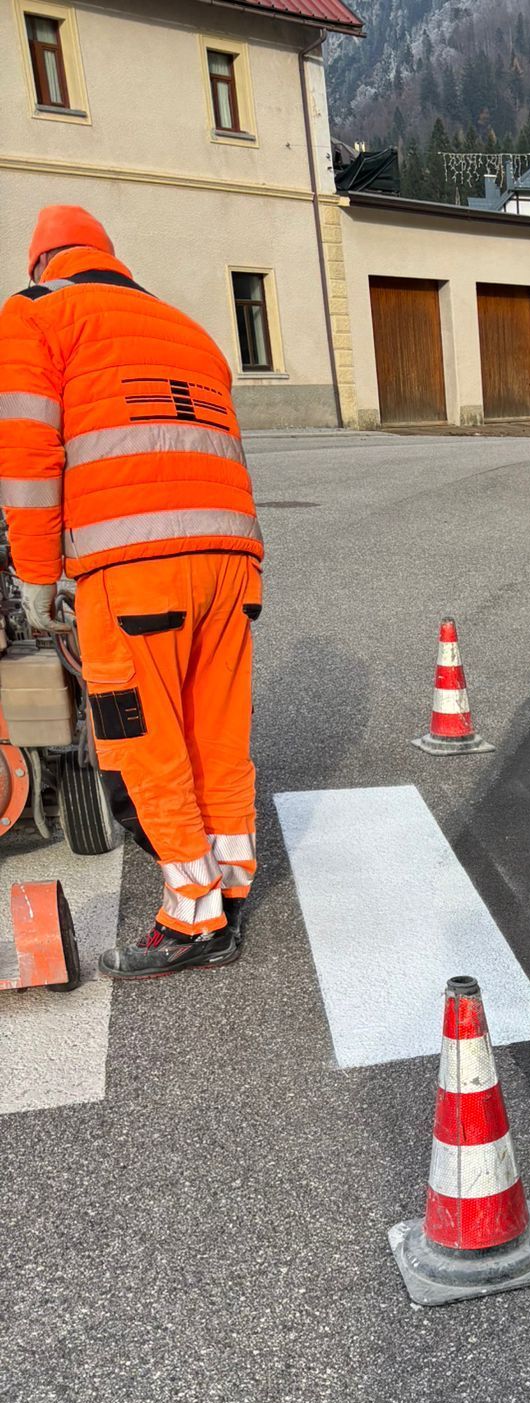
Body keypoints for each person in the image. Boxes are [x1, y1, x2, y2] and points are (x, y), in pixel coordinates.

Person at [0, 205, 262, 978]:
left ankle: (192, 917)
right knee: (217, 730)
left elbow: (26, 459)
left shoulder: (37, 314)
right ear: (109, 258)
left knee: (145, 742)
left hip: (135, 567)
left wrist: (39, 575)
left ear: (41, 263)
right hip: (232, 563)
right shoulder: (185, 326)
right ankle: (232, 883)